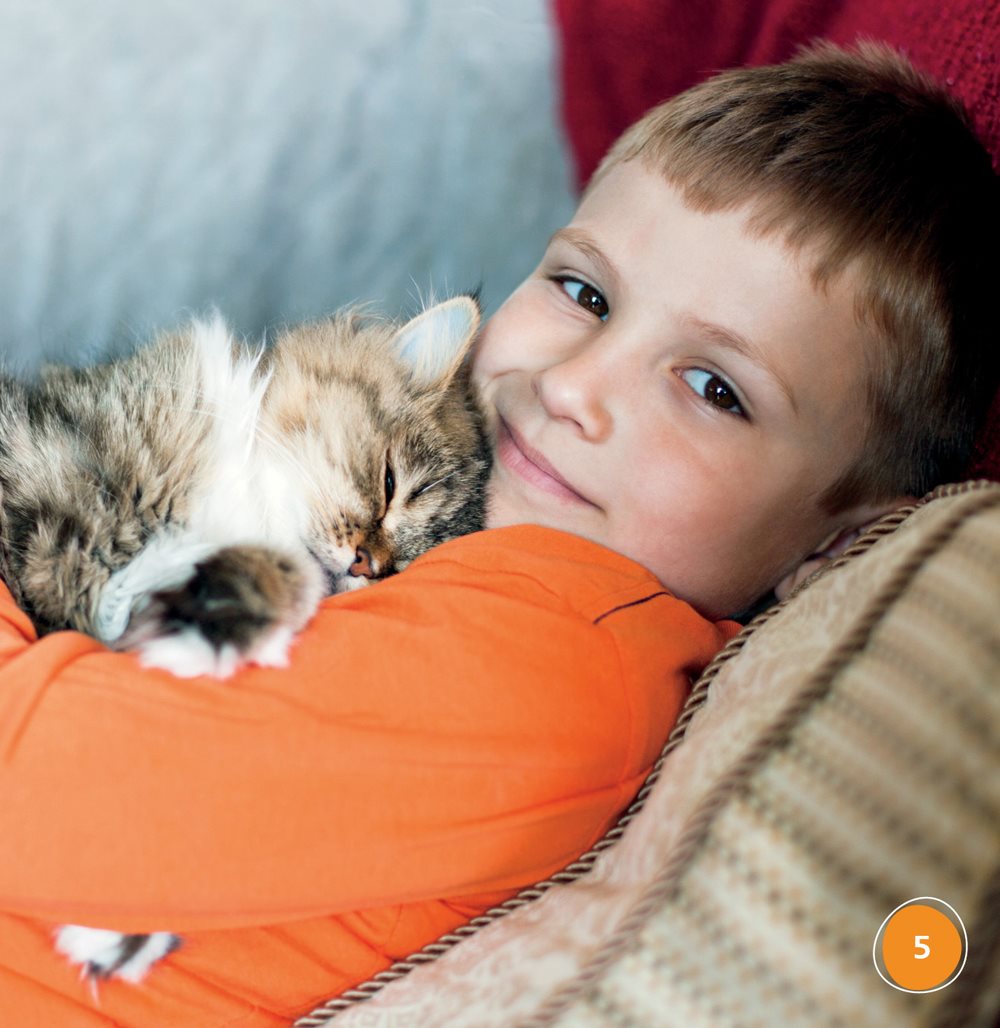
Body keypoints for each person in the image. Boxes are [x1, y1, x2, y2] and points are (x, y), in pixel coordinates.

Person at [0, 41, 997, 1027]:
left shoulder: (567, 655)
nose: (571, 386)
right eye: (585, 292)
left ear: (837, 543)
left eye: (712, 388)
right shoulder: (478, 547)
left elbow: (30, 799)